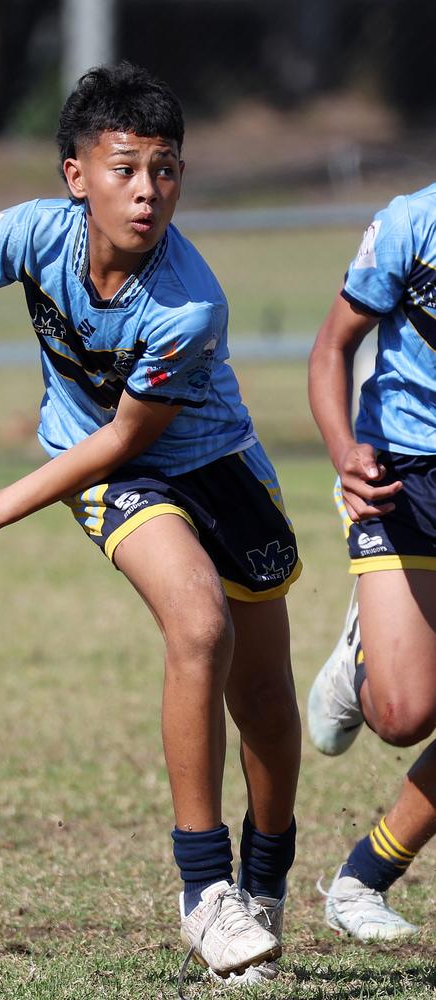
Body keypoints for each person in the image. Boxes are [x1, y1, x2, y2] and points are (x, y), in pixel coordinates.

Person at [0, 63, 301, 991]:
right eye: (124, 168)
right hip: (112, 469)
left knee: (265, 701)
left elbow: (138, 426)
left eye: (165, 170)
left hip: (219, 467)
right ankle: (205, 892)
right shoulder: (30, 236)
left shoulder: (189, 303)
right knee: (195, 623)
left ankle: (267, 880)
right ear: (74, 175)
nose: (147, 191)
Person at [307, 182, 436, 941]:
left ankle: (363, 880)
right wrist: (343, 454)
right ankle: (362, 658)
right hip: (400, 473)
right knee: (403, 715)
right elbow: (331, 348)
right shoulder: (411, 225)